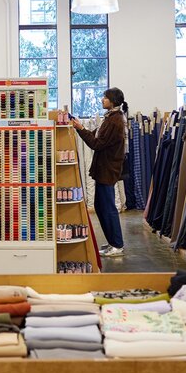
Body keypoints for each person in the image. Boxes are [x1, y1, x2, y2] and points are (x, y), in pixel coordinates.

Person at [71, 87, 128, 257]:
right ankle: (112, 242)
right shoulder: (110, 118)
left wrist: (80, 129)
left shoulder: (115, 120)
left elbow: (97, 144)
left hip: (108, 170)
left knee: (108, 208)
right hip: (104, 169)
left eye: (105, 97)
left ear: (113, 101)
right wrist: (81, 128)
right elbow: (96, 136)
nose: (102, 99)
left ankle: (117, 244)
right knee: (100, 206)